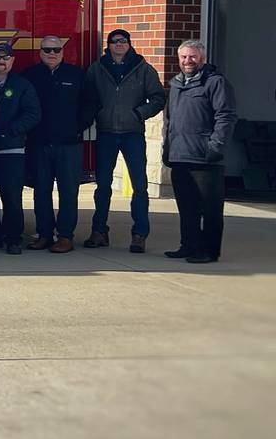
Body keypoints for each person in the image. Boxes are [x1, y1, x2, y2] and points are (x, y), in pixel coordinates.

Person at [84, 28, 166, 253]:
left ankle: (139, 234)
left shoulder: (143, 69)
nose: (118, 45)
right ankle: (99, 231)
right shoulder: (97, 69)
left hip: (133, 134)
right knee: (103, 186)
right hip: (106, 133)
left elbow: (159, 98)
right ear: (108, 45)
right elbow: (88, 97)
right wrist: (95, 115)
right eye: (114, 41)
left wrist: (139, 113)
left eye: (122, 41)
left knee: (140, 186)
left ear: (129, 44)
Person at [162, 40, 237, 264]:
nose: (188, 61)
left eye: (193, 57)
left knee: (210, 210)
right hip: (179, 156)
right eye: (184, 57)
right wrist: (167, 150)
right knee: (187, 208)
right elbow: (169, 120)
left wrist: (215, 147)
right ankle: (188, 246)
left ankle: (209, 251)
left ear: (202, 58)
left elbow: (226, 117)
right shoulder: (175, 84)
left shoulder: (216, 83)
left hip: (205, 158)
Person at [22, 35, 88, 254]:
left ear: (63, 52)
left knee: (69, 192)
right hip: (39, 144)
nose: (52, 53)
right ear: (40, 52)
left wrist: (78, 128)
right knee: (41, 191)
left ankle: (66, 236)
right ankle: (44, 235)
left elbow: (91, 104)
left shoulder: (76, 75)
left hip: (69, 145)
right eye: (47, 50)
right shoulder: (30, 76)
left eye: (56, 49)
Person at [0, 43, 41, 255]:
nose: (1, 61)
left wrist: (12, 130)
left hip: (11, 152)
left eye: (6, 57)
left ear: (12, 61)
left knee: (11, 198)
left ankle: (13, 239)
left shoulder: (22, 85)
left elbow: (33, 114)